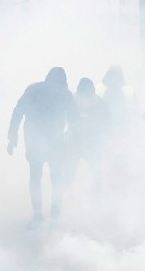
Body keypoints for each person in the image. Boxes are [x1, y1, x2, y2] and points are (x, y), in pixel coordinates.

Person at [8, 67, 74, 224]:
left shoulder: (33, 89)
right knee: (56, 179)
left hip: (34, 141)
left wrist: (12, 136)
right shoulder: (65, 94)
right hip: (55, 144)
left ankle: (37, 214)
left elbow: (18, 111)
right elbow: (75, 120)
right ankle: (55, 216)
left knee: (35, 177)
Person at [66, 78, 110, 197]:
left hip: (93, 144)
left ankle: (96, 201)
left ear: (92, 93)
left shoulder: (101, 104)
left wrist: (105, 142)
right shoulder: (70, 102)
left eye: (87, 96)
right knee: (69, 173)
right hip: (74, 143)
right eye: (82, 96)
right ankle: (65, 198)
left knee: (96, 174)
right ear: (78, 93)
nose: (85, 100)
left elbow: (107, 125)